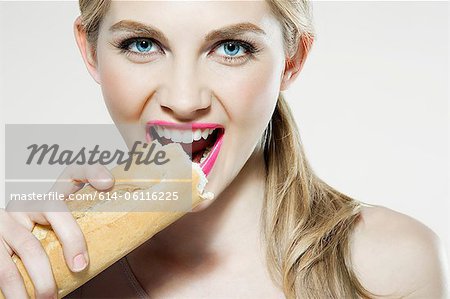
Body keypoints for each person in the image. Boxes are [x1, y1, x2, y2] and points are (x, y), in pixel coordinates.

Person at [0, 1, 448, 298]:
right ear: (91, 52)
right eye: (142, 44)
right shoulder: (47, 277)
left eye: (231, 48)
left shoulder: (391, 266)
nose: (184, 97)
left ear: (292, 61)